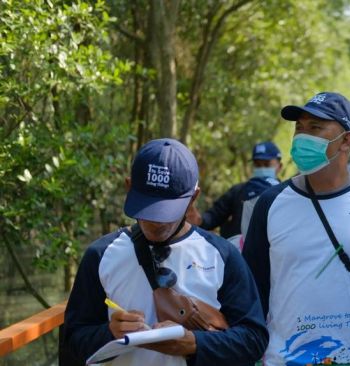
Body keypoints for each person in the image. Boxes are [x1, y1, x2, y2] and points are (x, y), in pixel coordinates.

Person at [242, 92, 350, 366]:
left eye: (315, 127)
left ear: (346, 140)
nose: (302, 137)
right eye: (299, 127)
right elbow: (251, 295)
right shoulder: (271, 203)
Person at [63, 138, 268, 365]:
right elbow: (73, 340)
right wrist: (110, 332)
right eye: (148, 207)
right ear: (129, 188)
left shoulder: (223, 256)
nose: (156, 222)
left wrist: (194, 344)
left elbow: (254, 339)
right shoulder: (101, 256)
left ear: (193, 197)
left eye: (167, 210)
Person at [187, 141, 282, 241]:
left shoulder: (285, 194)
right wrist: (200, 220)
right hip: (238, 253)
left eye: (267, 164)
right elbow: (215, 215)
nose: (262, 168)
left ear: (280, 167)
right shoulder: (238, 191)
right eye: (257, 164)